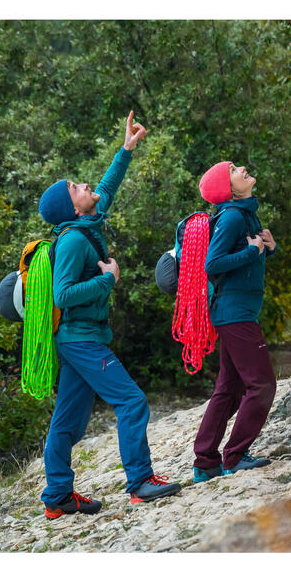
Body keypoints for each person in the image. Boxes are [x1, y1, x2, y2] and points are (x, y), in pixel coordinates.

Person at [37, 111, 181, 519]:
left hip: (82, 339)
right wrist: (108, 279)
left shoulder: (87, 223)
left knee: (67, 421)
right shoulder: (72, 243)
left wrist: (126, 150)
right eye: (75, 187)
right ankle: (140, 483)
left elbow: (105, 189)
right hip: (81, 340)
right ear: (71, 206)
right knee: (132, 401)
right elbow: (62, 294)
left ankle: (58, 498)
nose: (84, 184)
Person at [191, 160, 277, 483]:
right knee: (263, 385)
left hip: (237, 312)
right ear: (228, 189)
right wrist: (252, 252)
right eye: (233, 170)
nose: (241, 168)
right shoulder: (231, 217)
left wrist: (268, 248)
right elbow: (213, 264)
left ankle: (205, 462)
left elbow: (247, 258)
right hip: (234, 314)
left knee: (229, 388)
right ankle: (235, 456)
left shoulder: (246, 214)